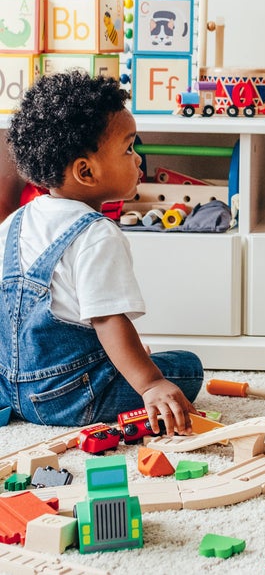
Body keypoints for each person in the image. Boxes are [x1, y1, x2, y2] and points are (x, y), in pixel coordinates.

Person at [0, 70, 203, 432]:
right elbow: (108, 320)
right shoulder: (97, 234)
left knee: (134, 354)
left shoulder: (15, 222)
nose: (138, 159)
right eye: (128, 148)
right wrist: (150, 384)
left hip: (9, 386)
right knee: (187, 367)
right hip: (69, 397)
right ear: (86, 171)